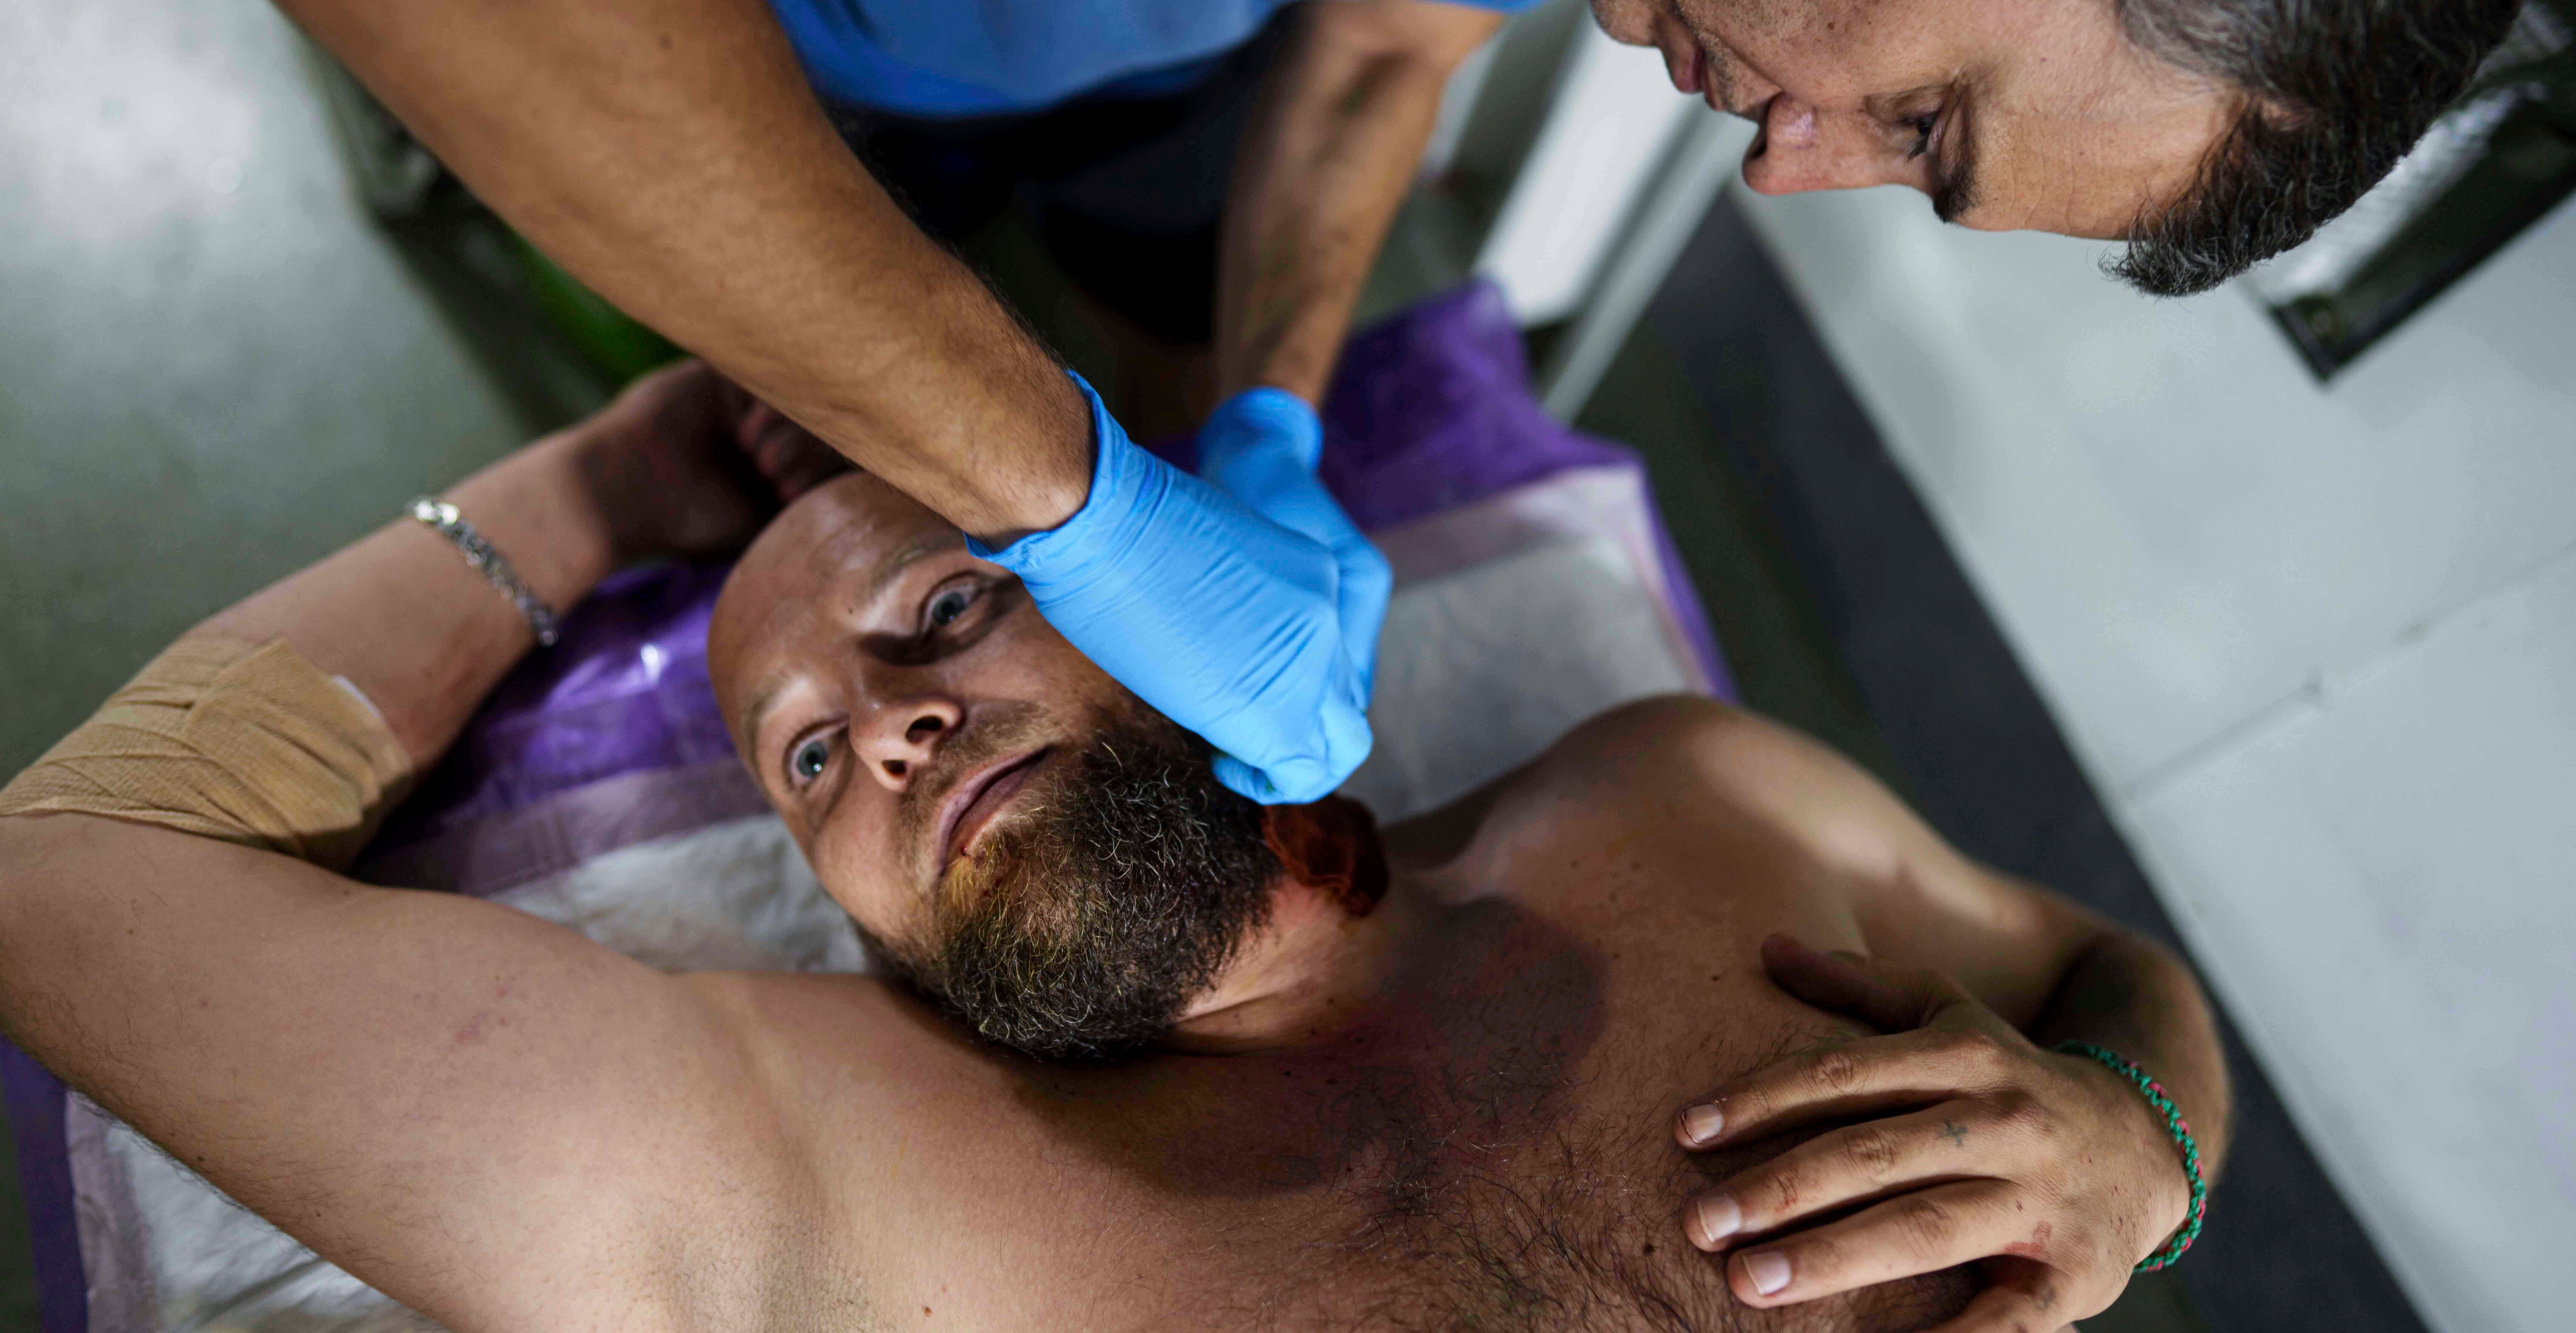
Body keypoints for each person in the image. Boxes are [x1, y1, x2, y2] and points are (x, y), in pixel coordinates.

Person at [157, 0, 2564, 808]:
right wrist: (1070, 493)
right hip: (667, 0)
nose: (1792, 162)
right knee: (691, 374)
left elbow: (1397, 25)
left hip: (1098, 24)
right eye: (1921, 117)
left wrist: (1274, 428)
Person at [0, 365, 2229, 1331]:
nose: (883, 730)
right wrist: (596, 494)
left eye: (945, 609)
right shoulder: (801, 1166)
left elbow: (2108, 967)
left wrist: (2138, 1140)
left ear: (1181, 581)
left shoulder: (1685, 803)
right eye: (795, 765)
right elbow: (69, 875)